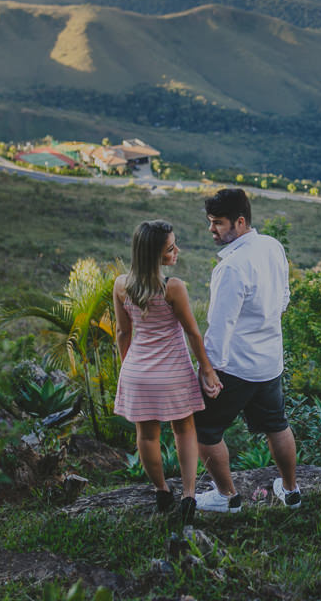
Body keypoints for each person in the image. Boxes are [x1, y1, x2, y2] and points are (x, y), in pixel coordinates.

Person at [194, 188, 302, 513]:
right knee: (277, 425)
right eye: (211, 222)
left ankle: (227, 498)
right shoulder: (272, 245)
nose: (211, 229)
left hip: (235, 366)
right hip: (269, 361)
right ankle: (291, 491)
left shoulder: (231, 267)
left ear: (239, 222)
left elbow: (220, 326)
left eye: (218, 223)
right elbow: (284, 297)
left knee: (205, 430)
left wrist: (209, 371)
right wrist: (264, 324)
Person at [113, 220, 222, 527]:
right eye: (171, 248)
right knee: (184, 430)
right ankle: (188, 495)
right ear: (154, 254)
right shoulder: (172, 287)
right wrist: (207, 369)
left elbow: (123, 332)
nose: (177, 251)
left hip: (137, 372)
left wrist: (127, 368)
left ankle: (161, 491)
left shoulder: (121, 285)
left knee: (147, 435)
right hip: (173, 372)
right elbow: (193, 333)